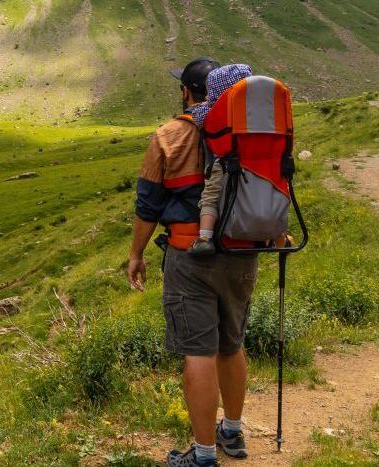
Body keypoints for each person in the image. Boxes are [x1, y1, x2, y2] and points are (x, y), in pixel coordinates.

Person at [127, 57, 258, 467]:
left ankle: (202, 456)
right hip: (242, 253)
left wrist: (136, 254)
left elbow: (148, 206)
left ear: (186, 92)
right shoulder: (246, 134)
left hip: (189, 257)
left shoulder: (168, 137)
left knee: (199, 351)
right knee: (231, 343)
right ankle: (232, 433)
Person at [184, 63, 254, 258]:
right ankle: (281, 236)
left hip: (225, 163)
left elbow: (197, 117)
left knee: (210, 196)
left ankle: (205, 238)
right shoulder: (259, 111)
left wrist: (205, 104)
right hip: (258, 163)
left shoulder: (214, 111)